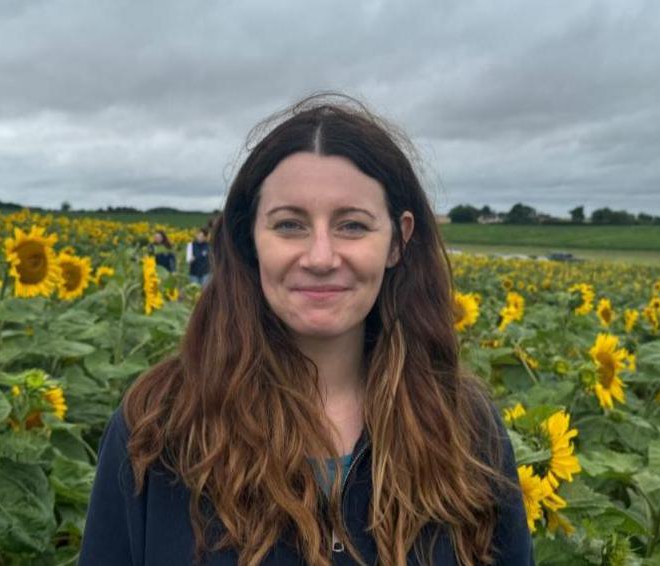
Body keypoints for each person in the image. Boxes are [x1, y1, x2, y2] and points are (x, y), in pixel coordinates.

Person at [80, 94, 534, 565]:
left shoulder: (464, 428)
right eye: (290, 224)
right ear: (248, 238)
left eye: (353, 226)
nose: (320, 257)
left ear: (398, 241)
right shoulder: (159, 426)